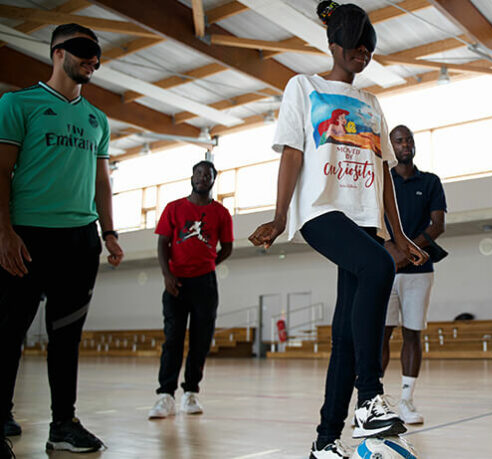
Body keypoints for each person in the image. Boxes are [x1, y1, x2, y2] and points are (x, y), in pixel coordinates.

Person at [248, 2, 427, 458]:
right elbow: (292, 152)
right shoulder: (303, 87)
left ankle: (325, 441)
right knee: (378, 267)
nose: (361, 54)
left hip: (364, 217)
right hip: (321, 210)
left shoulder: (372, 103)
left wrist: (399, 235)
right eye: (353, 46)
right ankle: (369, 399)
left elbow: (384, 172)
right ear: (333, 45)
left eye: (368, 49)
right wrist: (280, 215)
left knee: (346, 335)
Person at [0, 23, 124, 455]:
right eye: (84, 50)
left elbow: (102, 181)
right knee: (8, 332)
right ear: (57, 52)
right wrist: (4, 231)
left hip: (79, 241)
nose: (93, 59)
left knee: (66, 337)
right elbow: (1, 170)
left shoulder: (97, 119)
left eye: (97, 54)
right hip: (27, 236)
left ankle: (63, 424)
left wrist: (109, 232)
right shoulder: (18, 104)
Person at [148, 160, 233, 419]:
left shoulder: (221, 213)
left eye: (207, 175)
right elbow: (162, 243)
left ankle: (191, 392)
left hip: (205, 283)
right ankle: (165, 395)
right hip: (176, 282)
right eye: (198, 173)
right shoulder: (174, 208)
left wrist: (209, 265)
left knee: (201, 340)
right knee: (173, 338)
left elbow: (227, 247)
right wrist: (167, 274)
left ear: (213, 180)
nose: (202, 178)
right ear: (192, 177)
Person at [381, 125, 446, 425]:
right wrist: (392, 252)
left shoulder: (430, 181)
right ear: (391, 146)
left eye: (409, 140)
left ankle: (406, 400)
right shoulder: (383, 180)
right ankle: (374, 400)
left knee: (412, 333)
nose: (405, 145)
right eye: (399, 141)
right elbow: (375, 221)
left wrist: (407, 251)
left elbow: (437, 225)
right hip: (386, 268)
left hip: (420, 270)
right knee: (381, 334)